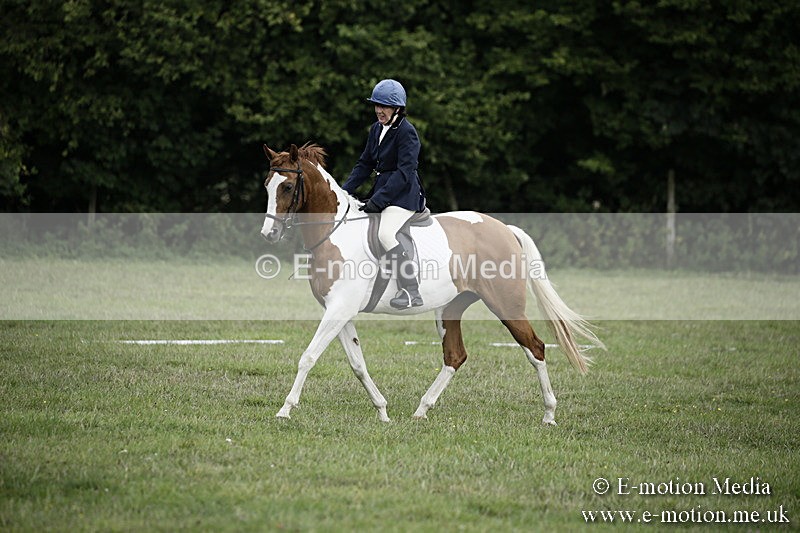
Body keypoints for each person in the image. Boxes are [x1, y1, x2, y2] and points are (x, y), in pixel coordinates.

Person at [342, 79, 427, 309]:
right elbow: (364, 164)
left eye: (385, 106)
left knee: (386, 233)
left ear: (397, 109)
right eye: (377, 105)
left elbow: (404, 173)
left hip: (404, 195)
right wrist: (343, 191)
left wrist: (378, 200)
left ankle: (411, 290)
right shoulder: (376, 129)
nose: (379, 110)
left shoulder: (407, 132)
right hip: (383, 191)